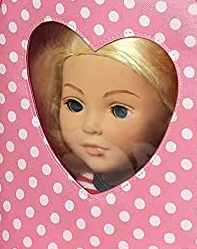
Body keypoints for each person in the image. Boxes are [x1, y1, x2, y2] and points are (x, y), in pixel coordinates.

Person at [27, 23, 178, 192]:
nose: (90, 126)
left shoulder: (166, 190)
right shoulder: (78, 185)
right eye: (74, 105)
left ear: (167, 116)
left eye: (119, 111)